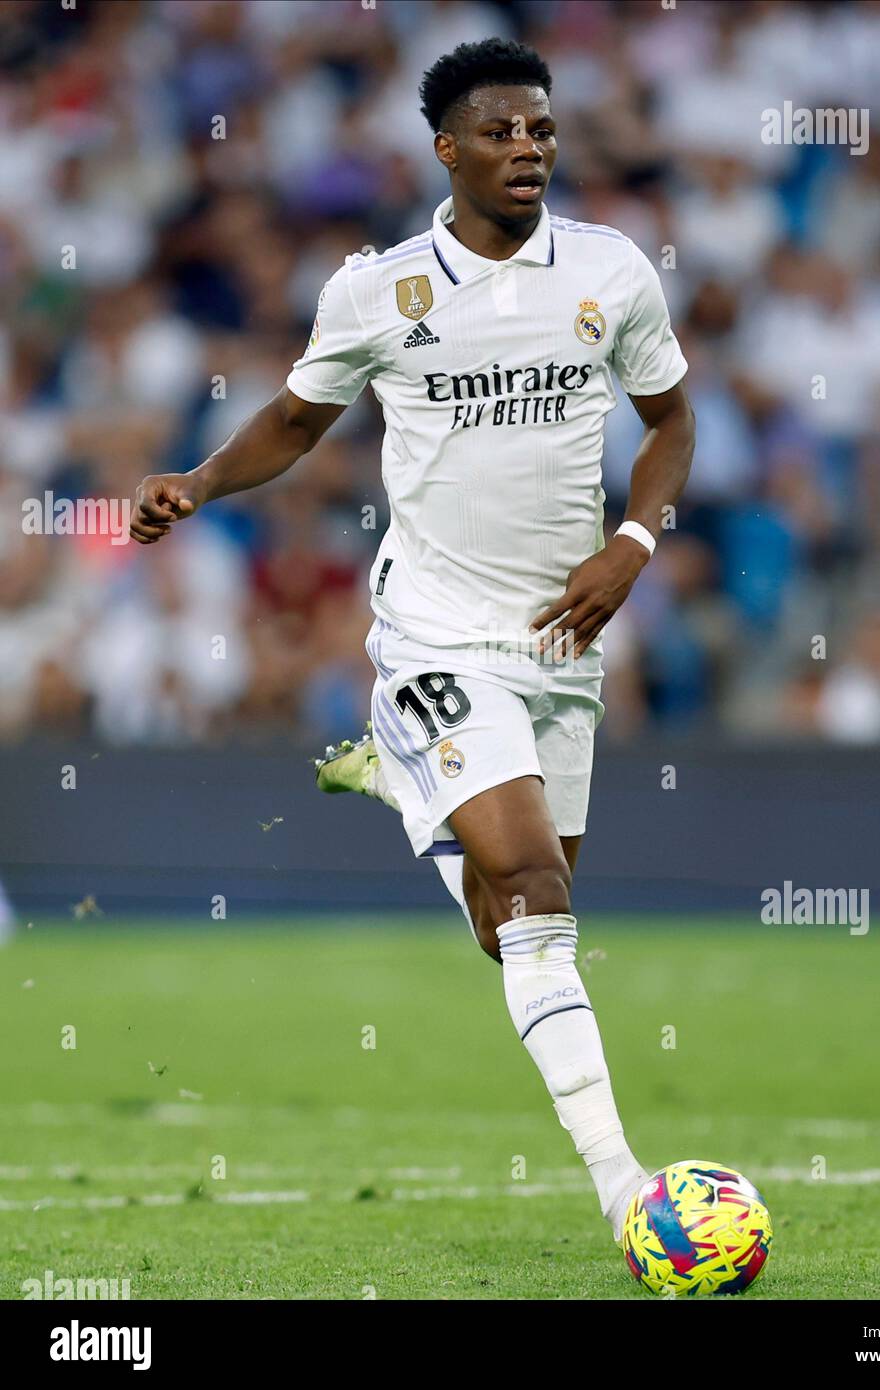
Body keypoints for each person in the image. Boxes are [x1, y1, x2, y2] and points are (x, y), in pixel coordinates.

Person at [130, 38, 694, 1241]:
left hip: (563, 640)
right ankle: (626, 1192)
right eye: (500, 132)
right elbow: (294, 419)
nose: (527, 148)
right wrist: (199, 480)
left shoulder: (609, 272)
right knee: (539, 892)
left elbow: (671, 423)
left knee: (517, 933)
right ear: (447, 150)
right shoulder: (379, 290)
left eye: (541, 129)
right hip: (436, 630)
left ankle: (403, 786)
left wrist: (632, 546)